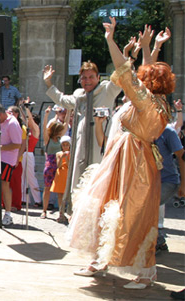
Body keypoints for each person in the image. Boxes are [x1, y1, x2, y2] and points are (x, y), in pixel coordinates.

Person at [67, 17, 175, 290]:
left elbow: (124, 70)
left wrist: (111, 40)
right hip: (128, 158)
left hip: (133, 162)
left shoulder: (146, 102)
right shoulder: (159, 102)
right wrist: (152, 47)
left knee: (131, 212)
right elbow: (144, 72)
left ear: (150, 83)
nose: (141, 76)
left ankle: (146, 271)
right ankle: (101, 259)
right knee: (109, 206)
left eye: (145, 77)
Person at [44, 56, 122, 200]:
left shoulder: (107, 90)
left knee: (99, 184)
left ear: (98, 77)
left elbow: (122, 74)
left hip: (101, 146)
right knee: (80, 186)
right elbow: (62, 100)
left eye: (91, 77)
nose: (87, 81)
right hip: (81, 147)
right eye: (84, 78)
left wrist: (129, 55)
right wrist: (48, 82)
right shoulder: (79, 95)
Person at [0, 103, 23, 226]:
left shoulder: (13, 123)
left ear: (1, 114)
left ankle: (8, 214)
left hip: (7, 159)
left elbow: (17, 144)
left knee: (4, 184)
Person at [153, 124, 185, 253]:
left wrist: (183, 184)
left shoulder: (168, 132)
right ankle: (158, 241)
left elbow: (182, 157)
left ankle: (155, 242)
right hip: (149, 182)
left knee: (149, 206)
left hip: (168, 181)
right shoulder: (142, 129)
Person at [42, 121, 67, 218]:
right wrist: (46, 116)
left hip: (59, 166)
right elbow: (44, 129)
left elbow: (65, 127)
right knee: (47, 188)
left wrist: (68, 112)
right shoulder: (48, 139)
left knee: (60, 191)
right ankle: (44, 210)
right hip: (50, 166)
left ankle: (61, 212)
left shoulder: (60, 139)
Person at [50, 136, 71, 223]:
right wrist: (62, 157)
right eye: (63, 145)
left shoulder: (71, 154)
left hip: (67, 174)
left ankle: (69, 213)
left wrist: (67, 158)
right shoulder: (58, 153)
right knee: (60, 195)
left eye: (67, 145)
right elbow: (58, 165)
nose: (65, 147)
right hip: (60, 174)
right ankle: (61, 212)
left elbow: (70, 166)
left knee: (69, 195)